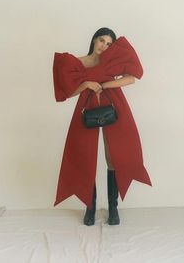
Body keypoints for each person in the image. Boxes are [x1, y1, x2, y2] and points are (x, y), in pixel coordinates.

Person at [52, 27, 152, 226]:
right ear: (94, 40)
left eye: (108, 44)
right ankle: (90, 207)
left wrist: (104, 85)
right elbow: (69, 92)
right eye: (101, 40)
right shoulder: (79, 62)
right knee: (84, 156)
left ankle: (113, 209)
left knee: (112, 155)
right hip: (86, 107)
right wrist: (87, 83)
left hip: (113, 105)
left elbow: (132, 78)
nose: (103, 46)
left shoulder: (111, 61)